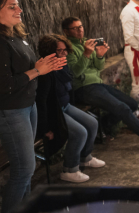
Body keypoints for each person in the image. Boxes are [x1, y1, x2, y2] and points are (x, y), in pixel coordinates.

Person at [0, 0, 66, 213]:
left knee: (27, 168)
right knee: (24, 168)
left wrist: (43, 66)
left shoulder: (14, 36)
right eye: (11, 7)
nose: (19, 10)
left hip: (26, 106)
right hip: (10, 111)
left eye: (18, 5)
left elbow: (24, 70)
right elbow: (3, 85)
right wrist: (37, 70)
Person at [63, 17, 139, 146]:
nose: (80, 30)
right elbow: (74, 73)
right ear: (66, 32)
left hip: (97, 84)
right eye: (75, 28)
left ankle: (102, 127)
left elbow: (98, 67)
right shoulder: (68, 49)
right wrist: (86, 54)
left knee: (132, 104)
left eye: (81, 26)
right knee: (122, 108)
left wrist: (100, 55)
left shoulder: (86, 42)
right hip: (83, 88)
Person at [36, 34, 105, 183]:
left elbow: (68, 87)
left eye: (65, 49)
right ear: (49, 52)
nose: (64, 53)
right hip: (55, 111)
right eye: (59, 51)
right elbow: (40, 101)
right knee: (80, 132)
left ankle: (85, 158)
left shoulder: (63, 65)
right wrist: (45, 127)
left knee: (93, 123)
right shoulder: (45, 72)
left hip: (66, 106)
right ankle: (70, 170)